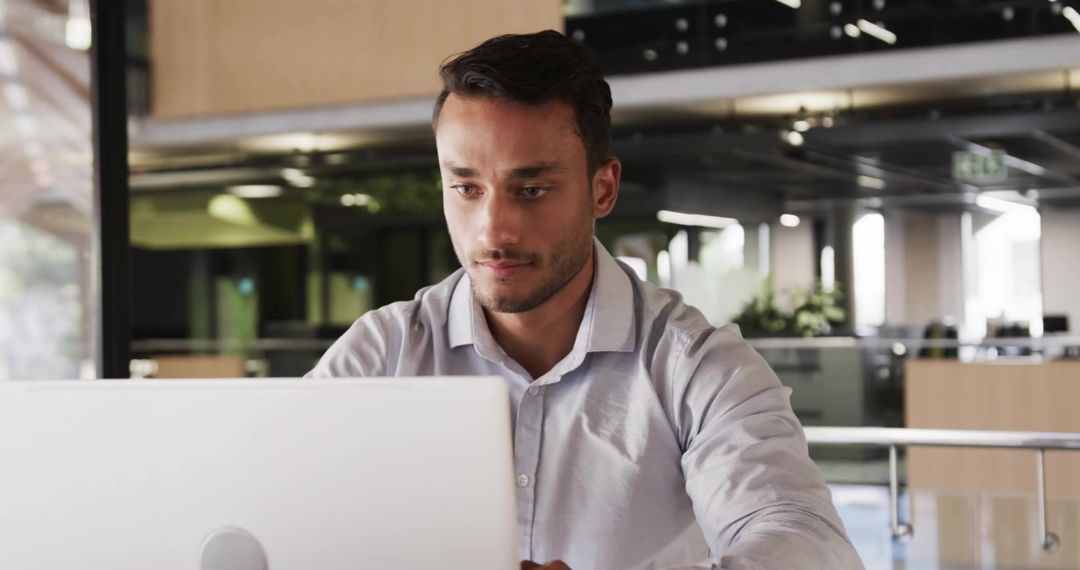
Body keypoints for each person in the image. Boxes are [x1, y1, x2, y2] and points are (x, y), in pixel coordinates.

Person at [307, 30, 863, 570]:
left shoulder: (697, 367)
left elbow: (802, 539)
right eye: (466, 187)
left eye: (532, 189)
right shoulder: (381, 353)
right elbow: (277, 509)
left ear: (603, 189)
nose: (493, 230)